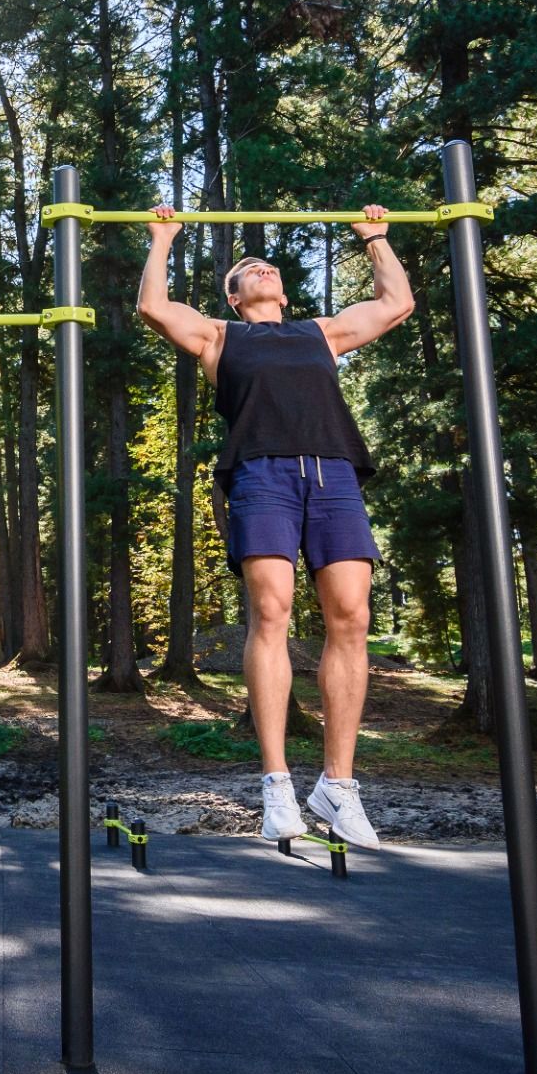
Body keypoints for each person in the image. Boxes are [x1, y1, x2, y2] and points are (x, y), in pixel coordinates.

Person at [136, 205, 414, 849]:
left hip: (333, 472)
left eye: (268, 266)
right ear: (234, 298)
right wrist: (162, 238)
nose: (261, 268)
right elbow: (154, 307)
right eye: (247, 269)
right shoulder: (220, 337)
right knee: (271, 611)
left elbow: (396, 304)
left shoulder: (321, 332)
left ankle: (338, 785)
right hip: (261, 475)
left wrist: (375, 239)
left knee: (352, 617)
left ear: (283, 292)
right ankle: (277, 784)